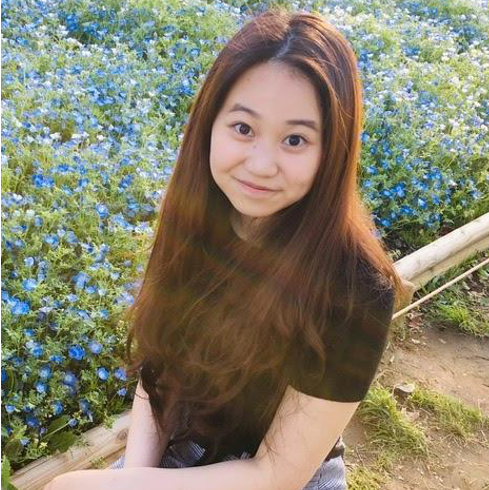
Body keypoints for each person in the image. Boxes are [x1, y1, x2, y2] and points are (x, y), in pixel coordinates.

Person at [105, 7, 408, 490]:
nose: (262, 165)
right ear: (210, 123)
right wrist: (136, 476)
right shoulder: (197, 217)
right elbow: (158, 376)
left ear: (332, 151)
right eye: (243, 128)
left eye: (295, 139)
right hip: (179, 453)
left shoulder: (357, 288)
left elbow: (276, 474)